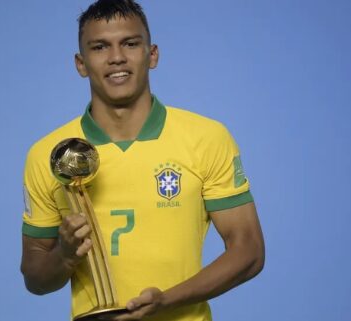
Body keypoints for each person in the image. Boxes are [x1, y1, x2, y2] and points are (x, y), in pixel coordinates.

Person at [20, 1, 265, 320]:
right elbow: (35, 279)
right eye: (99, 47)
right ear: (81, 64)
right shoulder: (50, 155)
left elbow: (249, 251)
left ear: (152, 55)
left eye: (130, 43)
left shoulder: (206, 138)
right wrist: (65, 255)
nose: (116, 57)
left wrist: (168, 300)